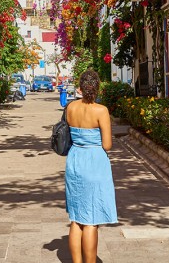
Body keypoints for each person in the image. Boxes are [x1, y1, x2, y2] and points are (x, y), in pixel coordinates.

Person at [64, 69, 118, 263]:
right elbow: (107, 145)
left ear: (81, 87)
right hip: (94, 162)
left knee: (76, 217)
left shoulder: (70, 108)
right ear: (97, 87)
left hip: (75, 160)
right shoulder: (101, 110)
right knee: (91, 220)